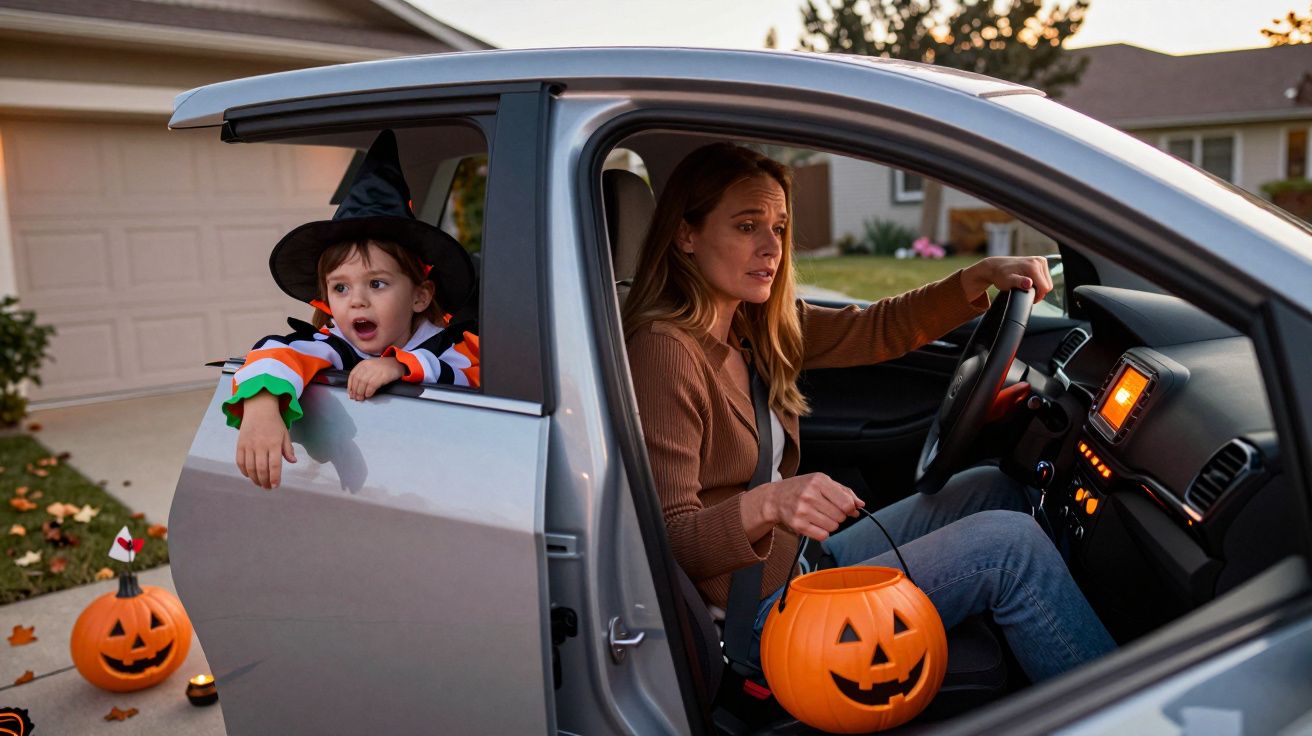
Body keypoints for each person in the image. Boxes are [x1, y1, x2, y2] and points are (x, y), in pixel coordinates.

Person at [623, 142, 1114, 683]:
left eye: (780, 228)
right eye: (746, 227)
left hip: (801, 565)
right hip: (761, 618)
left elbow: (874, 329)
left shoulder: (749, 328)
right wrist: (769, 503)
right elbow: (668, 541)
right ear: (686, 235)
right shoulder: (666, 350)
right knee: (1010, 549)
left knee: (992, 488)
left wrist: (977, 278)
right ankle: (1128, 718)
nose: (772, 248)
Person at [225, 130, 479, 491]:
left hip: (446, 478)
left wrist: (398, 365)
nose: (356, 301)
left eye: (376, 284)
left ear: (420, 297)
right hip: (382, 482)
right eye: (341, 288)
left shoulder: (447, 344)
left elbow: (469, 375)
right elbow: (275, 353)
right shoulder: (336, 345)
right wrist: (262, 406)